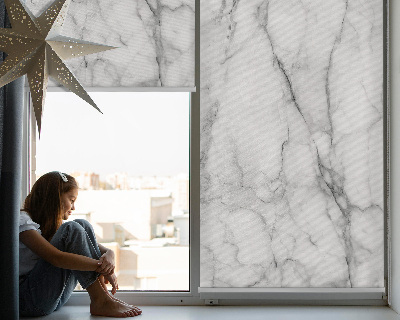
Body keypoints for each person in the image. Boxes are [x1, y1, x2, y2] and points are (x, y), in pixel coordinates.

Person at [19, 171, 142, 317]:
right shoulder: (23, 221)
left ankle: (104, 298)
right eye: (71, 200)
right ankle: (101, 301)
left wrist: (110, 254)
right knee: (72, 228)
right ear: (55, 198)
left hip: (52, 299)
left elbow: (93, 248)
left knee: (81, 224)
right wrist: (102, 268)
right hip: (28, 301)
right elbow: (56, 258)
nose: (73, 207)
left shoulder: (49, 225)